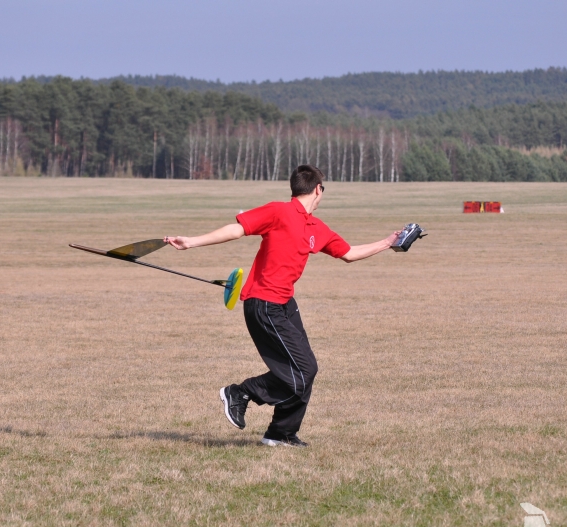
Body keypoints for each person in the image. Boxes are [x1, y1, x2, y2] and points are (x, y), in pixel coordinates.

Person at [164, 165, 400, 447]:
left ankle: (281, 433)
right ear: (318, 189)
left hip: (285, 303)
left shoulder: (316, 227)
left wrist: (389, 242)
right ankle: (241, 392)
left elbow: (349, 253)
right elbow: (238, 229)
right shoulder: (278, 211)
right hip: (264, 304)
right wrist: (191, 242)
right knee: (302, 371)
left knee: (307, 370)